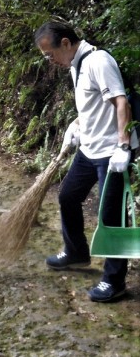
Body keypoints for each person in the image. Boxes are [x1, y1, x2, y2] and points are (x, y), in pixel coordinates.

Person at [34, 20, 138, 302]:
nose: (50, 60)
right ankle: (76, 251)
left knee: (111, 216)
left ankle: (114, 281)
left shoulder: (98, 61)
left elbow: (121, 102)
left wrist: (123, 146)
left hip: (111, 152)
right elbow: (91, 106)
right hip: (89, 149)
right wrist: (77, 125)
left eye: (50, 54)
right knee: (67, 196)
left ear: (66, 43)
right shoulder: (76, 66)